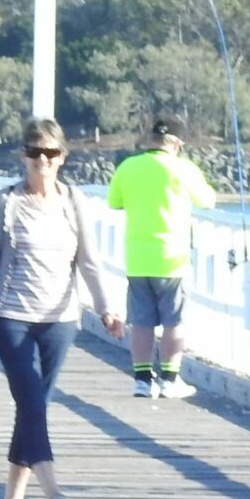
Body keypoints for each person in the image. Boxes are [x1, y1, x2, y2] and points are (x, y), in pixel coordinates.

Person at [0, 117, 122, 499]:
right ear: (24, 156)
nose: (42, 161)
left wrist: (106, 307)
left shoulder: (73, 202)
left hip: (60, 320)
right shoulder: (6, 202)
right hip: (13, 319)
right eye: (35, 153)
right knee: (33, 404)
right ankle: (54, 493)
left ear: (62, 158)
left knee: (32, 410)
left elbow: (89, 261)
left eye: (50, 154)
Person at [104, 119, 220, 399]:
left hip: (137, 257)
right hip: (173, 258)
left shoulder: (128, 167)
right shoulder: (184, 169)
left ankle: (142, 381)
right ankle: (169, 379)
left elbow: (114, 202)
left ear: (150, 139)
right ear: (178, 144)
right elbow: (208, 200)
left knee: (141, 322)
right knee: (173, 322)